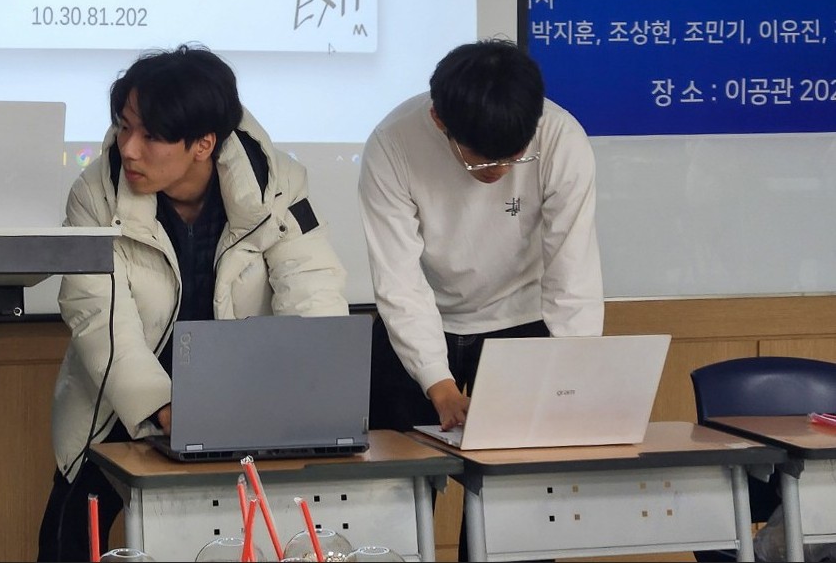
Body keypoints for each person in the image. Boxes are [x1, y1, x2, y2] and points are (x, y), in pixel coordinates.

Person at [37, 45, 350, 563]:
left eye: (151, 136)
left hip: (242, 402)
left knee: (237, 539)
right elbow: (98, 316)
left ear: (204, 143)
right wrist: (163, 407)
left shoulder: (276, 185)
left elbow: (312, 288)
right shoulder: (95, 194)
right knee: (69, 536)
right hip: (120, 402)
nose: (128, 148)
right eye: (124, 127)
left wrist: (315, 395)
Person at [359, 39, 603, 435]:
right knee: (401, 461)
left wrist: (571, 378)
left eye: (514, 157)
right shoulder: (393, 143)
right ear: (439, 120)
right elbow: (398, 280)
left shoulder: (562, 139)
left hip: (521, 316)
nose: (500, 171)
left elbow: (572, 275)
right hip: (422, 317)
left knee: (528, 459)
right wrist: (438, 383)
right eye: (483, 159)